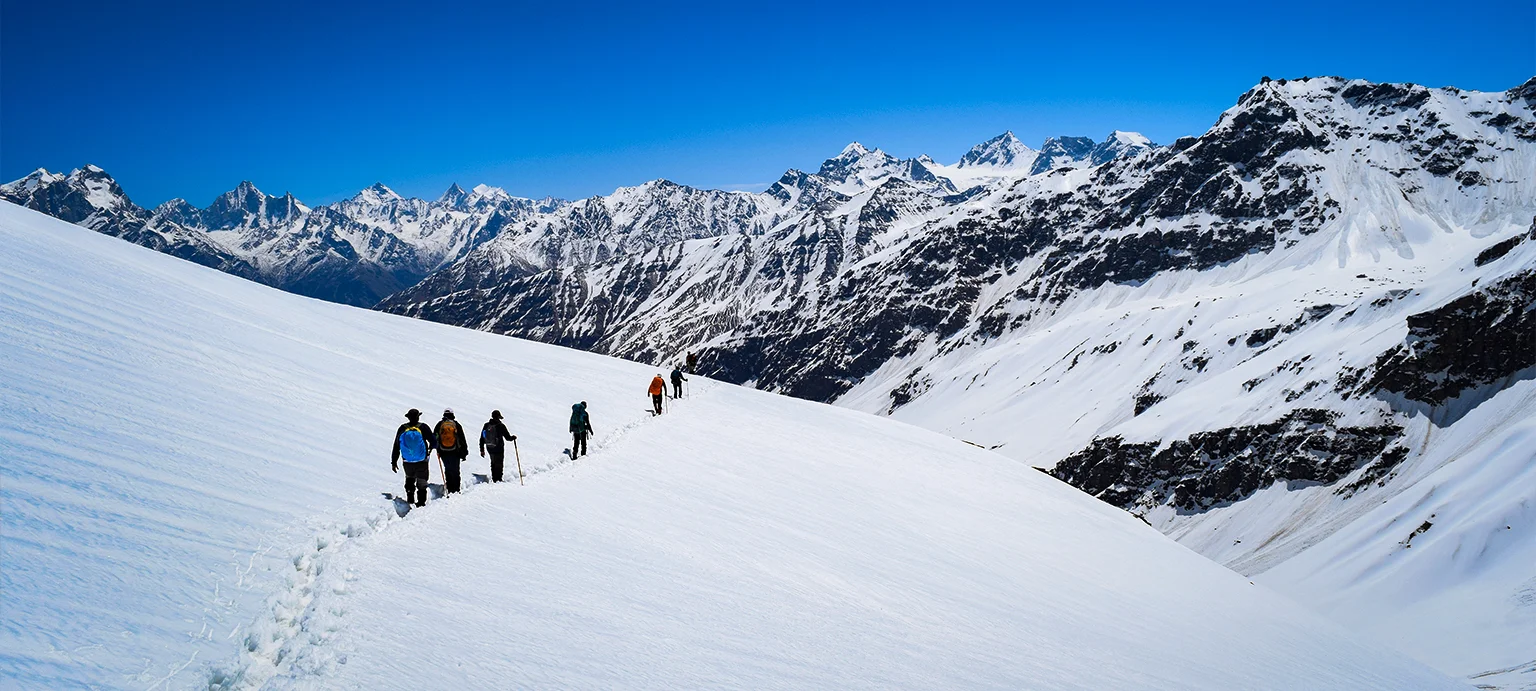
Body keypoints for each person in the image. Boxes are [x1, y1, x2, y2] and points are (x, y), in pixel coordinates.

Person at [391, 408, 437, 507]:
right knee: (422, 480)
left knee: (409, 478)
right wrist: (431, 448)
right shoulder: (423, 427)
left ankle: (410, 499)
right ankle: (421, 503)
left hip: (407, 460)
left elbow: (396, 445)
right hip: (422, 460)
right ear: (418, 417)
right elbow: (433, 441)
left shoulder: (403, 428)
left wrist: (394, 461)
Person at [434, 409, 469, 494]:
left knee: (448, 469)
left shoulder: (440, 424)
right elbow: (462, 438)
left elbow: (434, 437)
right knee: (456, 470)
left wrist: (437, 449)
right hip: (455, 451)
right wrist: (464, 452)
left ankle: (450, 489)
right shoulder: (456, 425)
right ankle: (456, 489)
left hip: (443, 451)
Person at [479, 410, 516, 483]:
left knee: (493, 462)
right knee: (499, 463)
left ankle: (494, 478)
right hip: (499, 448)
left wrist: (482, 449)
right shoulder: (501, 426)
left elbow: (482, 437)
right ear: (498, 417)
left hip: (489, 447)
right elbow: (507, 437)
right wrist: (513, 438)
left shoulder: (486, 425)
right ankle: (498, 479)